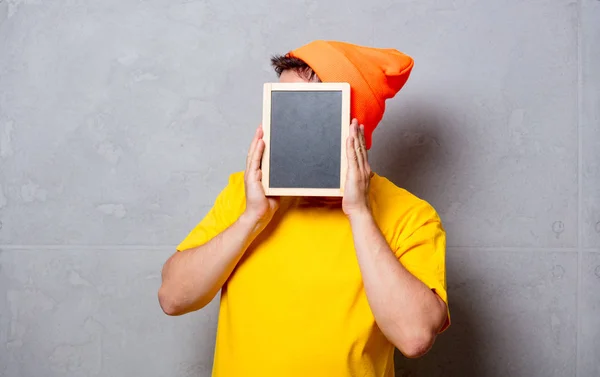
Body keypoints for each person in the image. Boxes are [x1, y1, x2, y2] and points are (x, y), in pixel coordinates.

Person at [158, 40, 450, 377]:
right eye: (281, 108)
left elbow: (414, 338)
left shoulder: (409, 214)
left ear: (354, 124)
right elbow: (172, 298)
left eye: (307, 110)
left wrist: (359, 213)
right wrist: (252, 217)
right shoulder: (244, 193)